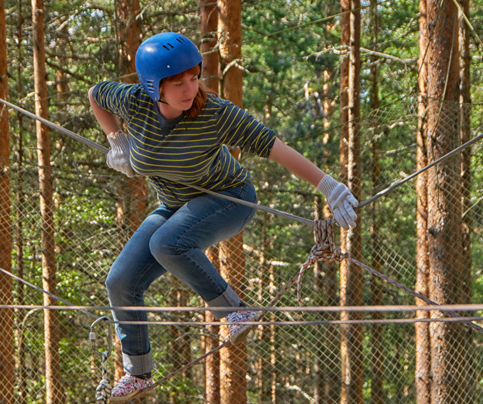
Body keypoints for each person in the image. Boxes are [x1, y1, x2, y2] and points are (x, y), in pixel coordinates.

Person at [88, 32, 358, 402]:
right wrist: (116, 140)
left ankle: (235, 312)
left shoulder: (214, 113)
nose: (189, 88)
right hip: (175, 204)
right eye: (177, 82)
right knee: (119, 280)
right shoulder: (133, 102)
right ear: (154, 87)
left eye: (193, 77)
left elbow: (274, 147)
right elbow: (95, 94)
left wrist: (327, 185)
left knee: (167, 243)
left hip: (231, 198)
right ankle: (138, 372)